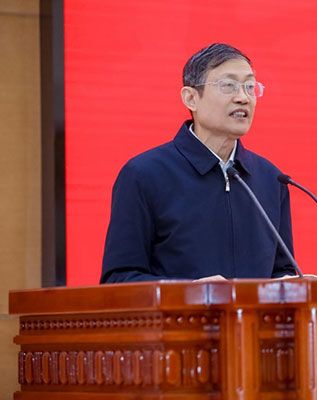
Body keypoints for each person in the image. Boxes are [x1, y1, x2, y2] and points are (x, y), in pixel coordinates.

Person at [100, 43, 296, 283]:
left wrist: (294, 283)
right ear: (191, 98)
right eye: (228, 86)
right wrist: (189, 293)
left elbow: (281, 272)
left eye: (249, 86)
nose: (243, 98)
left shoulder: (271, 179)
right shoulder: (144, 175)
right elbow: (118, 279)